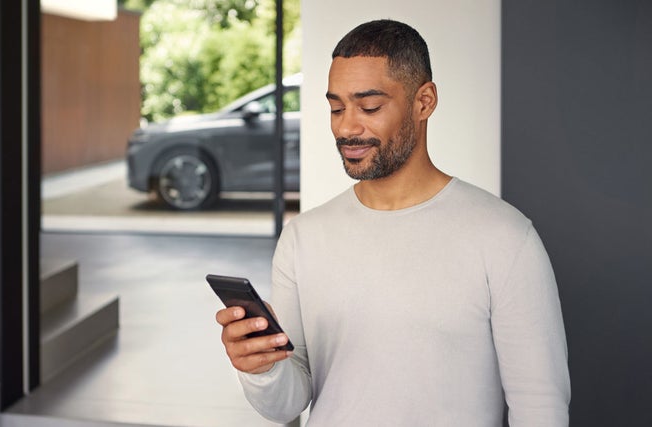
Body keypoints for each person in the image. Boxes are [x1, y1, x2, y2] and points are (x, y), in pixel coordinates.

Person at [215, 19, 570, 426]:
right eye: (336, 107)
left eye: (369, 107)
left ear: (424, 102)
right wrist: (262, 369)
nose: (346, 126)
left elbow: (540, 409)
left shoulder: (505, 237)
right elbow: (287, 405)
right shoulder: (302, 237)